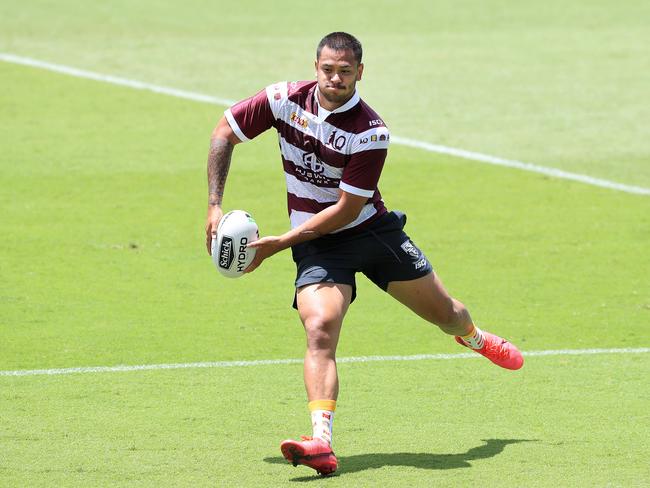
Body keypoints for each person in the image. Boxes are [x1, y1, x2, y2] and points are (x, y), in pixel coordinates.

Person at [205, 32, 524, 477]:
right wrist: (215, 205)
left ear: (360, 72)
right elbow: (224, 133)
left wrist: (280, 243)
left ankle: (475, 338)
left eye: (346, 71)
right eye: (327, 70)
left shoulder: (369, 132)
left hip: (370, 232)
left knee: (447, 314)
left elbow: (345, 210)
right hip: (317, 243)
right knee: (319, 326)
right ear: (315, 66)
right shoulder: (282, 99)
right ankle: (321, 442)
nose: (335, 79)